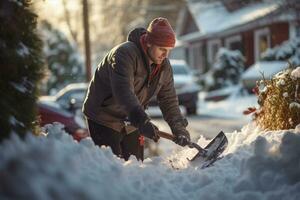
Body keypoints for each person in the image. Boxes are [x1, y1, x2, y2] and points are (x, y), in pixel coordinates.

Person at [82, 17, 191, 161]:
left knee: (135, 165)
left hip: (132, 121)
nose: (165, 55)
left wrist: (179, 128)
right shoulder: (124, 54)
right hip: (104, 117)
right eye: (161, 49)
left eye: (168, 50)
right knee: (113, 167)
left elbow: (168, 99)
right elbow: (123, 91)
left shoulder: (164, 67)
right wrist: (142, 120)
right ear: (149, 42)